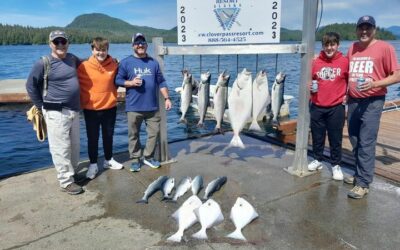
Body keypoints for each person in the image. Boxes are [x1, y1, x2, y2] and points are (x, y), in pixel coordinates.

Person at [346, 15, 400, 199]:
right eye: (361, 28)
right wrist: (346, 96)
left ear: (374, 30)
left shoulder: (385, 48)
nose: (364, 31)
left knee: (366, 141)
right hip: (353, 101)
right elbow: (348, 74)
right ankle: (358, 172)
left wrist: (375, 84)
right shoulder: (352, 47)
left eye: (368, 28)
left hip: (373, 102)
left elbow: (396, 75)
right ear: (356, 29)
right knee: (354, 139)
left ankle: (363, 183)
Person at [26, 30, 83, 195]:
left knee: (75, 146)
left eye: (63, 42)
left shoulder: (72, 58)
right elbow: (31, 85)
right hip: (55, 112)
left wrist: (109, 60)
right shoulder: (43, 63)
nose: (60, 45)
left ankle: (72, 173)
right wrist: (40, 106)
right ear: (50, 44)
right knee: (61, 148)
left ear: (68, 44)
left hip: (74, 110)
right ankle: (65, 182)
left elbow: (88, 64)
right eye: (56, 42)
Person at [115, 33, 172, 172]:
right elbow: (117, 80)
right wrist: (131, 82)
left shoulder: (153, 62)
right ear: (133, 46)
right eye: (137, 43)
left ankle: (148, 156)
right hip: (133, 107)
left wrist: (167, 98)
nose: (140, 45)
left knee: (154, 133)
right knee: (133, 135)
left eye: (142, 43)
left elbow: (161, 81)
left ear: (146, 45)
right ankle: (135, 159)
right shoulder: (125, 62)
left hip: (152, 107)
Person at [77, 37, 124, 180]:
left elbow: (123, 76)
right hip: (91, 109)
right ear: (92, 50)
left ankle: (108, 160)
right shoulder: (83, 66)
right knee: (93, 138)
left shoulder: (115, 64)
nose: (101, 53)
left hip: (110, 107)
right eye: (98, 50)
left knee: (108, 136)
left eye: (103, 50)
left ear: (107, 50)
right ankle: (92, 164)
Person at [307, 32, 349, 181]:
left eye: (332, 44)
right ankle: (317, 159)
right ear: (323, 46)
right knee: (317, 136)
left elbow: (352, 81)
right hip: (317, 105)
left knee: (335, 138)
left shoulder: (344, 61)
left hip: (336, 107)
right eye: (326, 45)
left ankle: (336, 165)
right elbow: (309, 80)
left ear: (337, 45)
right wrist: (309, 87)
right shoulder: (315, 62)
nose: (329, 48)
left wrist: (348, 95)